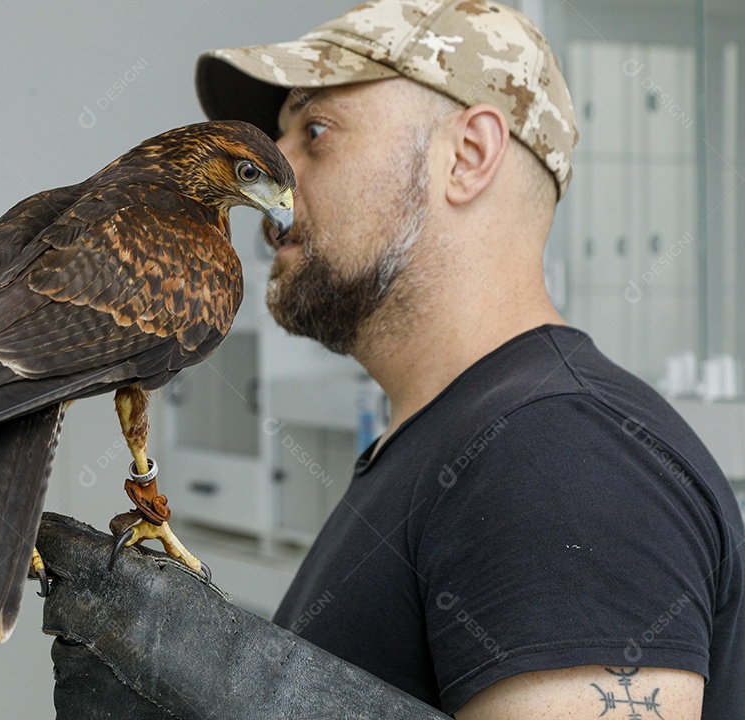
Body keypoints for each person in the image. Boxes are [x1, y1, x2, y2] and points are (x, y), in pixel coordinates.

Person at [39, 1, 745, 717]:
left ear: (467, 157)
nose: (273, 192)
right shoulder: (452, 440)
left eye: (315, 132)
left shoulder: (559, 457)